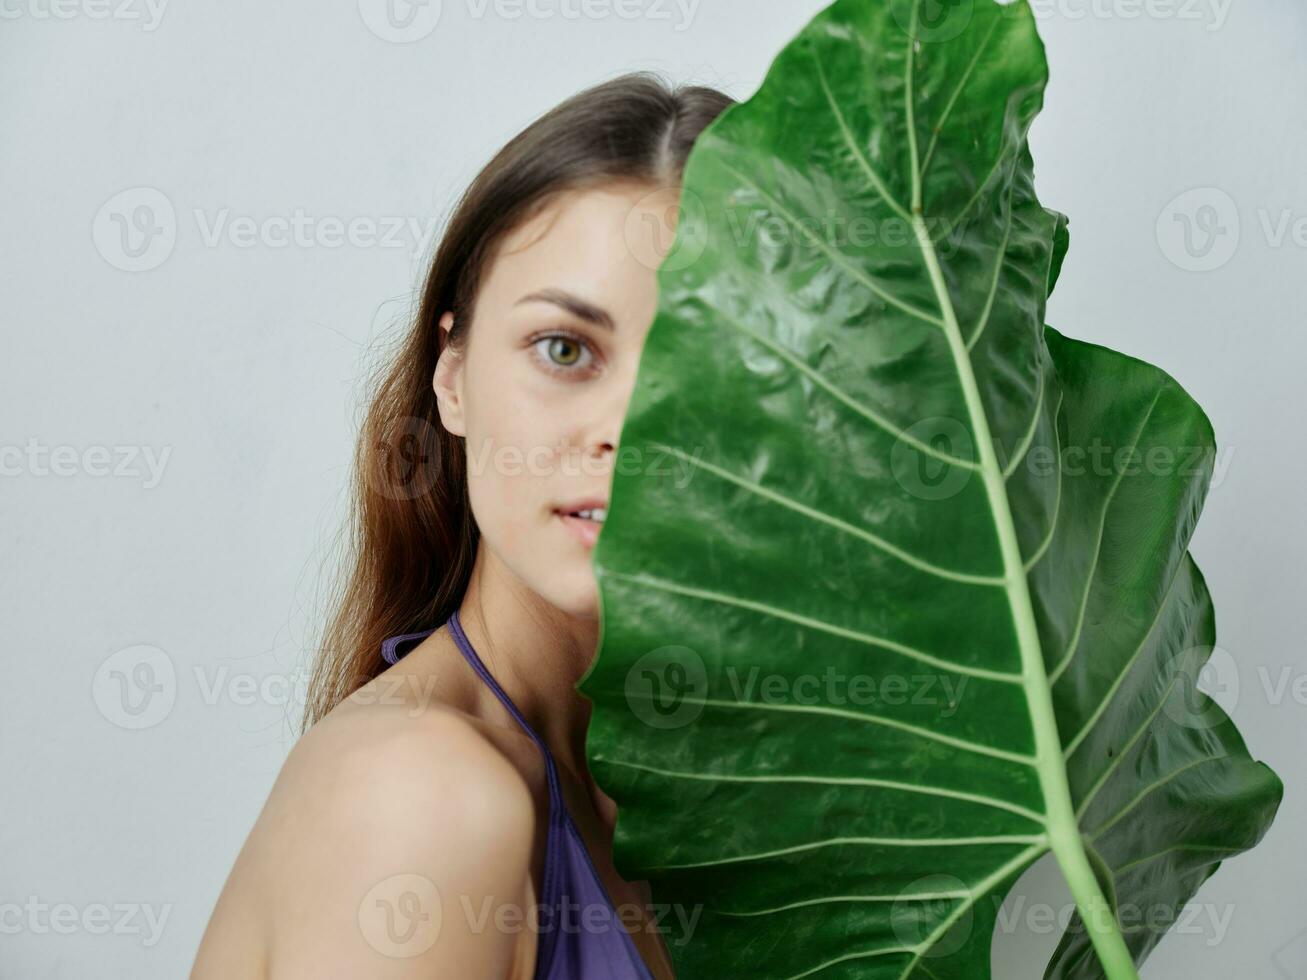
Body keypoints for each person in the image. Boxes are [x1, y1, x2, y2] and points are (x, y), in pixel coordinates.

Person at [189, 71, 735, 979]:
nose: (629, 431)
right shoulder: (425, 799)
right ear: (452, 378)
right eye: (564, 350)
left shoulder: (698, 806)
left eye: (707, 365)